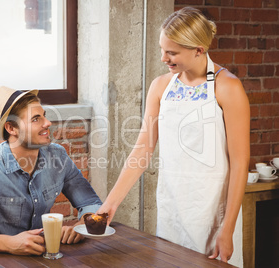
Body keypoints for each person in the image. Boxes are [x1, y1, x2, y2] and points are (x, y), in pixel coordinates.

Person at [97, 7, 249, 266]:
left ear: (199, 49)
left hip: (212, 214)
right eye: (161, 49)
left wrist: (227, 226)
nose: (163, 58)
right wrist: (109, 205)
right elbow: (143, 149)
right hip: (172, 210)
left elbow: (240, 162)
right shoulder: (161, 86)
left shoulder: (228, 87)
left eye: (172, 52)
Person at [0, 86, 102, 255]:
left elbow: (91, 203)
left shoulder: (57, 157)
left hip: (41, 258)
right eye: (36, 119)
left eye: (44, 115)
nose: (47, 123)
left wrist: (82, 224)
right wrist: (10, 243)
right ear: (11, 128)